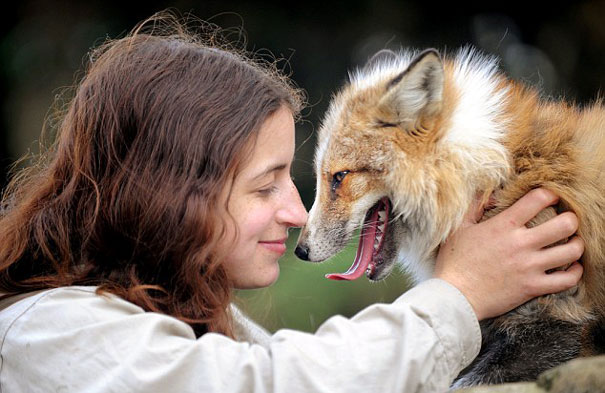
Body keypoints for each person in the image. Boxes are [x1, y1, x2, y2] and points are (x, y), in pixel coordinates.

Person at [0, 13, 584, 393]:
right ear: (170, 194)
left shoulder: (185, 320)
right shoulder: (48, 334)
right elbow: (273, 384)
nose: (300, 213)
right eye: (264, 185)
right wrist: (459, 297)